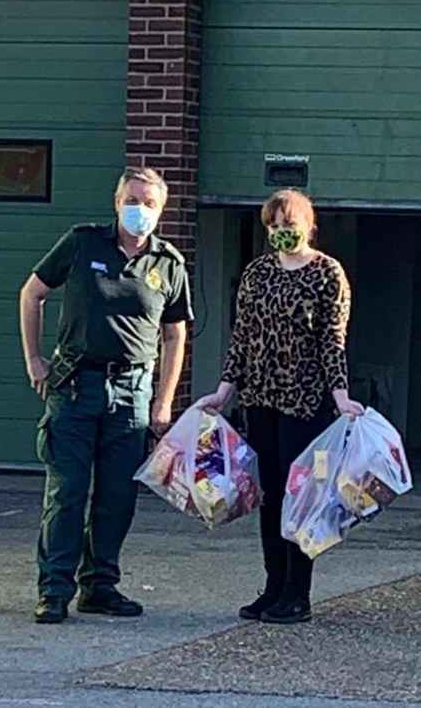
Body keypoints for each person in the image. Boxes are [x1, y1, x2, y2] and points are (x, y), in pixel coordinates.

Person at [19, 167, 194, 624]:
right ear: (117, 202)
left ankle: (99, 586)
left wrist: (163, 402)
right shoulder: (82, 243)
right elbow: (31, 294)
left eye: (150, 203)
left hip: (132, 392)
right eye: (132, 200)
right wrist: (34, 360)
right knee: (67, 493)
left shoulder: (169, 264)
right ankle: (54, 590)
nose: (140, 210)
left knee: (117, 497)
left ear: (162, 209)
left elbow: (175, 336)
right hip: (76, 386)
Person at [197, 188, 363, 625]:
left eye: (288, 225)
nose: (280, 234)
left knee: (301, 496)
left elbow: (333, 340)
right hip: (261, 397)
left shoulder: (328, 273)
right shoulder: (257, 274)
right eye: (273, 227)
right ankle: (273, 585)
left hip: (305, 401)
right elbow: (242, 338)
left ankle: (297, 592)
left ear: (307, 225)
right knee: (270, 495)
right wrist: (224, 390)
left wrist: (339, 394)